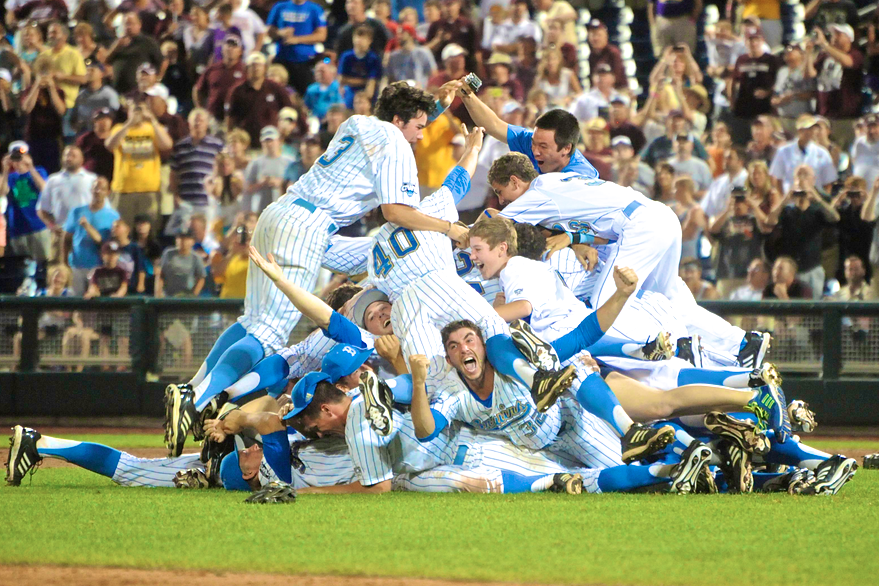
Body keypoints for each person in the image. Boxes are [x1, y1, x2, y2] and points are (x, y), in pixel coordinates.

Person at [162, 82, 473, 457]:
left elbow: (402, 119)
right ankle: (198, 396)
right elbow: (396, 212)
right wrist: (451, 228)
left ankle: (198, 387)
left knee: (252, 322)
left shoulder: (359, 123)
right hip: (310, 227)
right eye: (420, 127)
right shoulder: (395, 141)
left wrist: (434, 106)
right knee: (267, 331)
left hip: (283, 214)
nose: (422, 136)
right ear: (399, 120)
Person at [486, 152, 765, 368]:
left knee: (603, 309)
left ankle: (676, 348)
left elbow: (491, 227)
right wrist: (574, 239)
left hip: (637, 226)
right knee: (670, 300)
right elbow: (593, 228)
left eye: (501, 192)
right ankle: (743, 342)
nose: (501, 200)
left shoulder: (536, 192)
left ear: (514, 181)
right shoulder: (556, 181)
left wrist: (449, 228)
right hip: (657, 217)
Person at [455, 79, 597, 176]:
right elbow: (494, 125)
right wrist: (467, 95)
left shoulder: (583, 176)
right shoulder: (528, 141)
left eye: (543, 146)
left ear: (566, 148)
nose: (535, 151)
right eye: (534, 143)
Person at [765, 166, 840, 298]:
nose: (802, 179)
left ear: (813, 180)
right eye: (798, 175)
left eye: (806, 175)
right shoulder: (787, 210)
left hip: (812, 266)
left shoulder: (818, 209)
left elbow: (835, 218)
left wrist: (817, 198)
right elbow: (770, 221)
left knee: (811, 310)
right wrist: (785, 199)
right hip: (790, 271)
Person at [104, 100, 173, 228]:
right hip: (123, 190)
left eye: (140, 110)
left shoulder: (153, 129)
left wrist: (153, 120)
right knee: (122, 230)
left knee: (149, 231)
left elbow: (167, 144)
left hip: (149, 191)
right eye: (134, 110)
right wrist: (128, 124)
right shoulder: (119, 128)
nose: (138, 113)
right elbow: (109, 145)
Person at [36, 146, 98, 263]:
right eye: (66, 155)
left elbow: (101, 206)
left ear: (82, 159)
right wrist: (52, 226)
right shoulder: (53, 180)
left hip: (86, 234)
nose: (69, 158)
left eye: (73, 155)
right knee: (58, 270)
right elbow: (41, 209)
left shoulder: (92, 179)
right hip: (61, 234)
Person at [708, 189, 770, 298]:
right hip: (727, 273)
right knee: (725, 310)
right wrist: (728, 210)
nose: (738, 204)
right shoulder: (725, 220)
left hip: (751, 275)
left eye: (741, 200)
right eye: (735, 200)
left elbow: (766, 227)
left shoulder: (754, 221)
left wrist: (754, 206)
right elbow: (713, 230)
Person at [62, 175, 119, 295]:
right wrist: (64, 262)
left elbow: (107, 243)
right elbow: (67, 238)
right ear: (91, 190)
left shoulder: (113, 216)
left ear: (108, 192)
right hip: (77, 264)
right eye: (95, 188)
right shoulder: (77, 211)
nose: (98, 191)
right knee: (76, 300)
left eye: (102, 189)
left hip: (98, 266)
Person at [226, 52, 294, 149]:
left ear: (265, 68)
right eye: (253, 66)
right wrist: (230, 137)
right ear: (247, 69)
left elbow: (288, 111)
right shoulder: (237, 90)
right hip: (246, 142)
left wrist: (283, 132)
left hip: (271, 141)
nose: (256, 68)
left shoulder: (275, 88)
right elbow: (230, 118)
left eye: (259, 65)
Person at [169, 108, 223, 222]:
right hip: (186, 202)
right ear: (189, 123)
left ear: (207, 123)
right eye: (195, 120)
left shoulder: (217, 145)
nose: (198, 123)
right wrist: (176, 197)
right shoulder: (180, 146)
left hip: (207, 201)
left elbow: (223, 170)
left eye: (201, 120)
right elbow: (174, 174)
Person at [266, 0, 327, 96]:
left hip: (304, 61)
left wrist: (297, 39)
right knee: (277, 93)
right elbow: (268, 30)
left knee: (304, 94)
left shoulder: (314, 9)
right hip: (282, 59)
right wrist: (280, 32)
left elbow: (322, 35)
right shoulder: (280, 7)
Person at [2, 141, 50, 262]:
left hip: (39, 226)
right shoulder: (10, 177)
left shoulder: (39, 171)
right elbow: (2, 192)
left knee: (45, 262)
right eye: (15, 157)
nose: (18, 160)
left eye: (21, 156)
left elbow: (44, 189)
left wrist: (31, 168)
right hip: (18, 229)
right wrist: (5, 170)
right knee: (23, 268)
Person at [806, 24, 864, 121]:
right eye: (833, 34)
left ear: (848, 38)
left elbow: (848, 62)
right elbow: (810, 74)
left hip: (845, 113)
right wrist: (808, 53)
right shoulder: (825, 55)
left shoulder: (856, 54)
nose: (834, 37)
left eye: (838, 34)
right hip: (824, 111)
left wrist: (824, 44)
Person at [769, 115, 837, 193]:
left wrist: (822, 201)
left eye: (813, 128)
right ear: (799, 130)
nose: (811, 131)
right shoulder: (783, 151)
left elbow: (828, 182)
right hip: (790, 201)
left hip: (814, 202)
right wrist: (783, 200)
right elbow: (777, 179)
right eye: (807, 129)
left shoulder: (822, 153)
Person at [730, 27, 779, 134]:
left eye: (756, 39)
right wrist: (732, 101)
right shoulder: (741, 60)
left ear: (762, 41)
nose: (753, 43)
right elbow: (734, 81)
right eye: (750, 40)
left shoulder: (771, 60)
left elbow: (778, 82)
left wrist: (768, 92)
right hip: (743, 107)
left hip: (764, 108)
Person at [832, 176, 876, 284]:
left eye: (857, 192)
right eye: (852, 193)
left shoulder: (869, 211)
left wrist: (867, 197)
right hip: (846, 255)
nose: (855, 197)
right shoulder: (844, 212)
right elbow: (830, 216)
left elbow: (870, 219)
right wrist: (839, 198)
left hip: (865, 255)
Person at [106, 12, 163, 95]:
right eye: (126, 24)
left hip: (139, 91)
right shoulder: (118, 43)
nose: (129, 27)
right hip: (118, 90)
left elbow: (162, 61)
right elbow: (106, 60)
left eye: (132, 24)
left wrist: (157, 80)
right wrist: (116, 46)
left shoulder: (148, 42)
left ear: (139, 24)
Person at [193, 35, 245, 124]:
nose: (230, 49)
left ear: (240, 51)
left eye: (234, 46)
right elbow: (198, 89)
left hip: (236, 118)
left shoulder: (244, 71)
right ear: (222, 49)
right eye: (228, 45)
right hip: (214, 118)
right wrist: (200, 109)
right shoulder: (213, 69)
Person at [242, 126, 294, 214]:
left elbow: (295, 184)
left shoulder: (289, 162)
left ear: (279, 141)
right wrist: (261, 183)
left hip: (283, 209)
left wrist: (281, 183)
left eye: (271, 141)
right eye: (266, 141)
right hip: (260, 209)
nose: (269, 144)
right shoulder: (255, 163)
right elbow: (247, 188)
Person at [41, 20, 87, 117]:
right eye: (49, 33)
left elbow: (83, 79)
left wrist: (64, 77)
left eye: (54, 32)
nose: (51, 35)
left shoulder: (74, 54)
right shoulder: (44, 55)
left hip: (67, 105)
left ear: (64, 36)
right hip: (46, 104)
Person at [337, 25, 381, 110]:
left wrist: (365, 100)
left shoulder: (373, 58)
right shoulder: (346, 56)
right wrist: (363, 81)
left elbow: (371, 83)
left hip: (366, 95)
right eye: (357, 37)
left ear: (370, 41)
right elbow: (341, 79)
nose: (359, 41)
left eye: (363, 38)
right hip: (350, 93)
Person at [70, 59, 119, 136]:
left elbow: (116, 117)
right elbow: (73, 119)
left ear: (101, 74)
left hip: (103, 136)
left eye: (92, 70)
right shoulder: (81, 95)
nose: (89, 72)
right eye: (87, 70)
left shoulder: (109, 94)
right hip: (84, 135)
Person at [156, 229, 206, 298]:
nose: (183, 241)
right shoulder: (168, 253)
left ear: (192, 242)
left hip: (187, 296)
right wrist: (158, 293)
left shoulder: (196, 258)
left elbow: (201, 278)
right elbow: (160, 274)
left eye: (186, 239)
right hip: (168, 296)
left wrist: (194, 295)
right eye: (180, 238)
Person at [702, 147, 749, 219]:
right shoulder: (718, 181)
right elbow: (705, 206)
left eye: (729, 158)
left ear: (740, 162)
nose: (725, 161)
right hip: (714, 223)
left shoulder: (748, 180)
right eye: (725, 158)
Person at [772, 43, 814, 120]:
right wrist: (776, 101)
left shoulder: (806, 70)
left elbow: (812, 93)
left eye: (792, 50)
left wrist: (793, 96)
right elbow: (776, 92)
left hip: (802, 117)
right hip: (784, 116)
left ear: (801, 54)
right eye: (786, 51)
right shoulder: (782, 71)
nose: (788, 53)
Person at [77, 108, 115, 182]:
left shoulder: (115, 137)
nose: (104, 122)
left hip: (112, 178)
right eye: (100, 119)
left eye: (107, 119)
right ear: (94, 121)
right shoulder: (85, 138)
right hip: (89, 178)